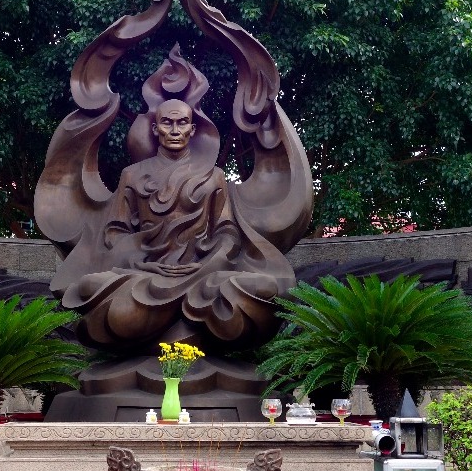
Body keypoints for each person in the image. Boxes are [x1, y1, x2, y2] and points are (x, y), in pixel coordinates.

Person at [53, 98, 294, 350]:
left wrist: (209, 263)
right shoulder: (132, 175)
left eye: (183, 123)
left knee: (265, 287)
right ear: (156, 129)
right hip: (147, 275)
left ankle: (164, 313)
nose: (175, 130)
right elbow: (116, 232)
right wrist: (140, 261)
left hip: (203, 276)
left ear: (192, 129)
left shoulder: (214, 177)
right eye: (167, 123)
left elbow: (227, 232)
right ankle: (191, 312)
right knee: (88, 286)